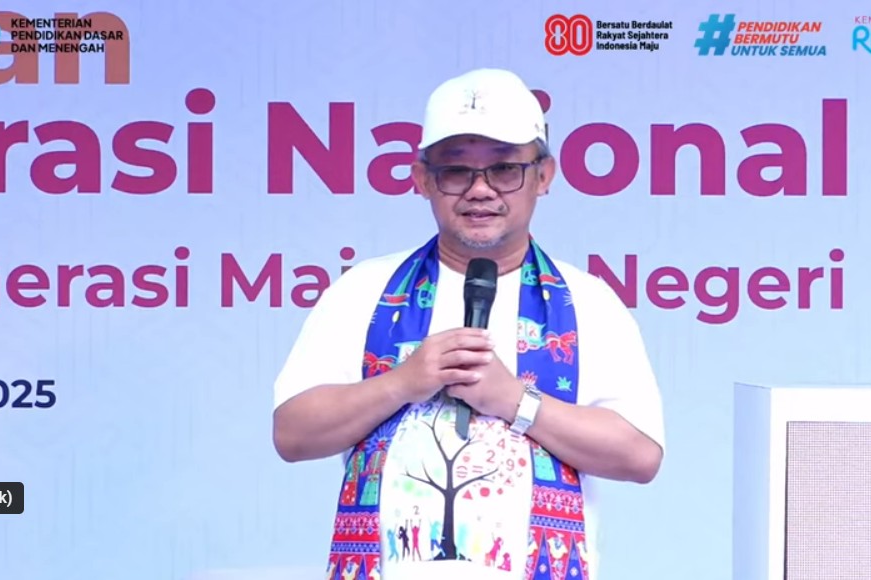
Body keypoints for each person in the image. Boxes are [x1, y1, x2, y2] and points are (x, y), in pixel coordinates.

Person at [272, 68, 665, 580]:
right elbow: (292, 434)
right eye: (456, 171)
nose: (480, 190)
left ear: (543, 176)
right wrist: (400, 383)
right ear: (422, 180)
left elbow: (639, 455)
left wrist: (515, 401)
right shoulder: (362, 291)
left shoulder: (589, 302)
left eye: (504, 169)